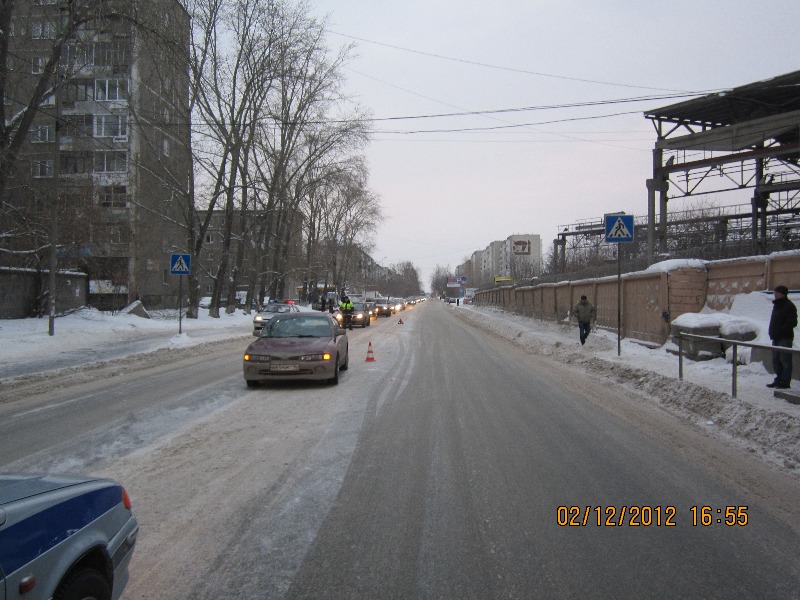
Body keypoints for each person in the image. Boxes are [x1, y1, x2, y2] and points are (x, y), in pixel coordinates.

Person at [767, 285, 797, 389]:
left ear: (782, 294)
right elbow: (774, 321)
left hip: (785, 337)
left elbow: (793, 322)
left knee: (785, 360)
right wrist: (772, 332)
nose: (775, 295)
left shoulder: (789, 306)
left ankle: (784, 381)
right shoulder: (777, 305)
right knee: (776, 360)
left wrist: (780, 331)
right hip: (776, 336)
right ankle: (779, 379)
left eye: (776, 293)